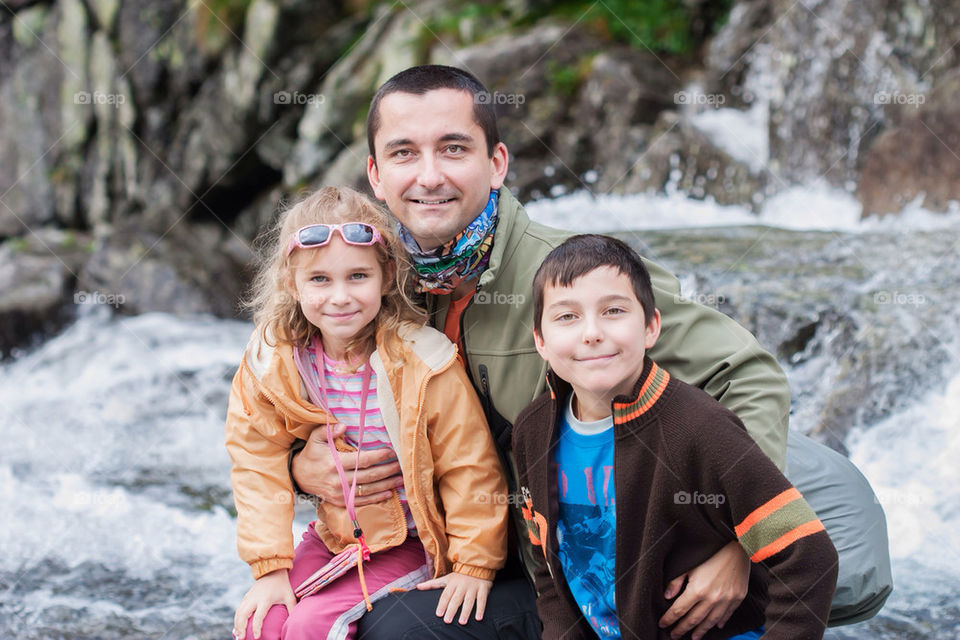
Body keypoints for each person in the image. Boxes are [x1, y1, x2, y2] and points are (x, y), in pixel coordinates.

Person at [290, 65, 890, 639]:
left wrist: (735, 547)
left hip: (652, 539)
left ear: (496, 163)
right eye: (403, 153)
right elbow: (287, 395)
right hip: (529, 548)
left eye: (453, 148)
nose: (428, 175)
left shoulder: (578, 271)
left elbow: (748, 374)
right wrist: (300, 465)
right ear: (374, 174)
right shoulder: (363, 282)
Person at [512, 233, 839, 639]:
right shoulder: (533, 431)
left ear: (651, 327)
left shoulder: (700, 428)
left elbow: (808, 553)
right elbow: (547, 563)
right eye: (567, 317)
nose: (591, 333)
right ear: (540, 340)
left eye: (613, 311)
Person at [225, 186, 509, 640]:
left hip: (411, 541)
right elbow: (256, 462)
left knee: (315, 624)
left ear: (386, 274)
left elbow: (469, 464)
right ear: (290, 283)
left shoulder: (422, 361)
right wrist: (269, 569)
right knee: (265, 622)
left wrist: (475, 563)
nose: (340, 297)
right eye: (319, 280)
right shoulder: (273, 360)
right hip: (336, 535)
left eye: (358, 276)